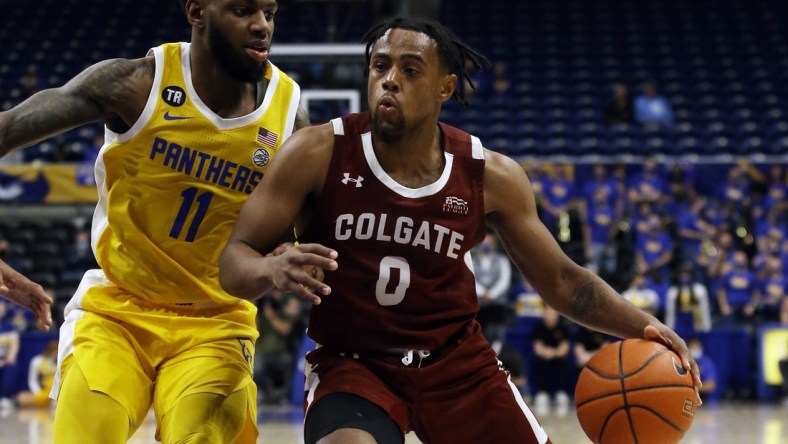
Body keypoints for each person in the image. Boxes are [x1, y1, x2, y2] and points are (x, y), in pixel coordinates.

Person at [219, 17, 701, 444]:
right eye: (380, 66)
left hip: (456, 366)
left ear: (445, 88)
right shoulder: (316, 153)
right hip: (353, 364)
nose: (390, 80)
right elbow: (234, 260)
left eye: (410, 70)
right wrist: (269, 268)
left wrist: (643, 325)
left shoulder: (489, 175)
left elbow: (562, 281)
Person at [0, 0, 316, 442]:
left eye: (269, 12)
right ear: (197, 11)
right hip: (118, 309)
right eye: (243, 10)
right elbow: (8, 127)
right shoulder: (134, 84)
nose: (262, 26)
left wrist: (285, 256)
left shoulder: (288, 117)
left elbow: (292, 238)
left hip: (217, 320)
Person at [472, 232, 513, 352]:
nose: (486, 245)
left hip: (496, 305)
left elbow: (504, 281)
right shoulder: (473, 260)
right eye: (484, 243)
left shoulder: (502, 260)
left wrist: (491, 294)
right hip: (478, 305)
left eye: (489, 243)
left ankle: (496, 349)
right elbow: (470, 278)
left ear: (494, 244)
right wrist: (483, 293)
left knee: (496, 328)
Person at [531, 307, 571, 416]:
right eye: (548, 314)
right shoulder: (539, 327)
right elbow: (537, 348)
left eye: (553, 314)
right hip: (544, 356)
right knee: (540, 362)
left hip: (557, 356)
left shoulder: (562, 327)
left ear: (557, 315)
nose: (550, 317)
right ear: (544, 314)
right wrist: (545, 353)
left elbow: (564, 348)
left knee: (563, 361)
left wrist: (553, 353)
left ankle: (561, 393)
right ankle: (542, 393)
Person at [15, 339, 59, 409]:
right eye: (54, 351)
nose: (56, 354)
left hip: (55, 393)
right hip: (42, 392)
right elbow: (32, 380)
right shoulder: (37, 361)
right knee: (21, 398)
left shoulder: (60, 362)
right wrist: (38, 393)